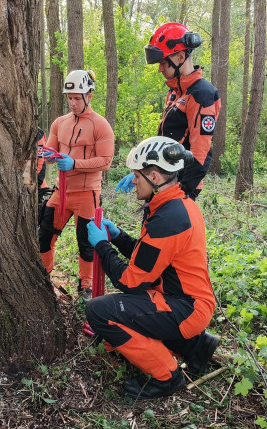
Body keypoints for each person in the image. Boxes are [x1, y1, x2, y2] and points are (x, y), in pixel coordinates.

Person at [86, 136, 219, 400]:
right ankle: (195, 345)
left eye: (137, 175)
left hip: (184, 307)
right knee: (131, 305)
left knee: (99, 311)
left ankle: (167, 376)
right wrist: (119, 236)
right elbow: (151, 257)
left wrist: (102, 246)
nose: (133, 181)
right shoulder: (178, 205)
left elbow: (131, 281)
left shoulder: (168, 219)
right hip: (186, 301)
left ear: (155, 177)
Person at [116, 23, 221, 200]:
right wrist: (142, 173)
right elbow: (165, 143)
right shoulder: (174, 92)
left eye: (163, 62)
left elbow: (201, 154)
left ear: (180, 57)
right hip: (161, 179)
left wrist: (181, 192)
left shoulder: (202, 94)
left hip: (180, 183)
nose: (160, 68)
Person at [39, 70, 115, 299]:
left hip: (87, 194)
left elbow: (106, 161)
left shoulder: (100, 125)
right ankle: (44, 277)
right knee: (44, 234)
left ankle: (86, 287)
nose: (72, 103)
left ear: (89, 96)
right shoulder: (59, 123)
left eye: (77, 98)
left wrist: (74, 163)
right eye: (69, 98)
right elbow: (50, 149)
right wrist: (48, 155)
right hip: (60, 192)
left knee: (86, 242)